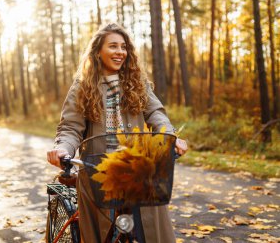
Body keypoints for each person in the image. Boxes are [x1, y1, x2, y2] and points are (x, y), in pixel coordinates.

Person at [47, 23, 188, 243]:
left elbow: (157, 115)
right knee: (101, 233)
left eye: (123, 47)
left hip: (136, 168)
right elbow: (70, 128)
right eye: (113, 46)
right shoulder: (82, 87)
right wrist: (63, 148)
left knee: (150, 229)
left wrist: (169, 137)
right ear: (98, 52)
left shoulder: (138, 83)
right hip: (97, 170)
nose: (120, 52)